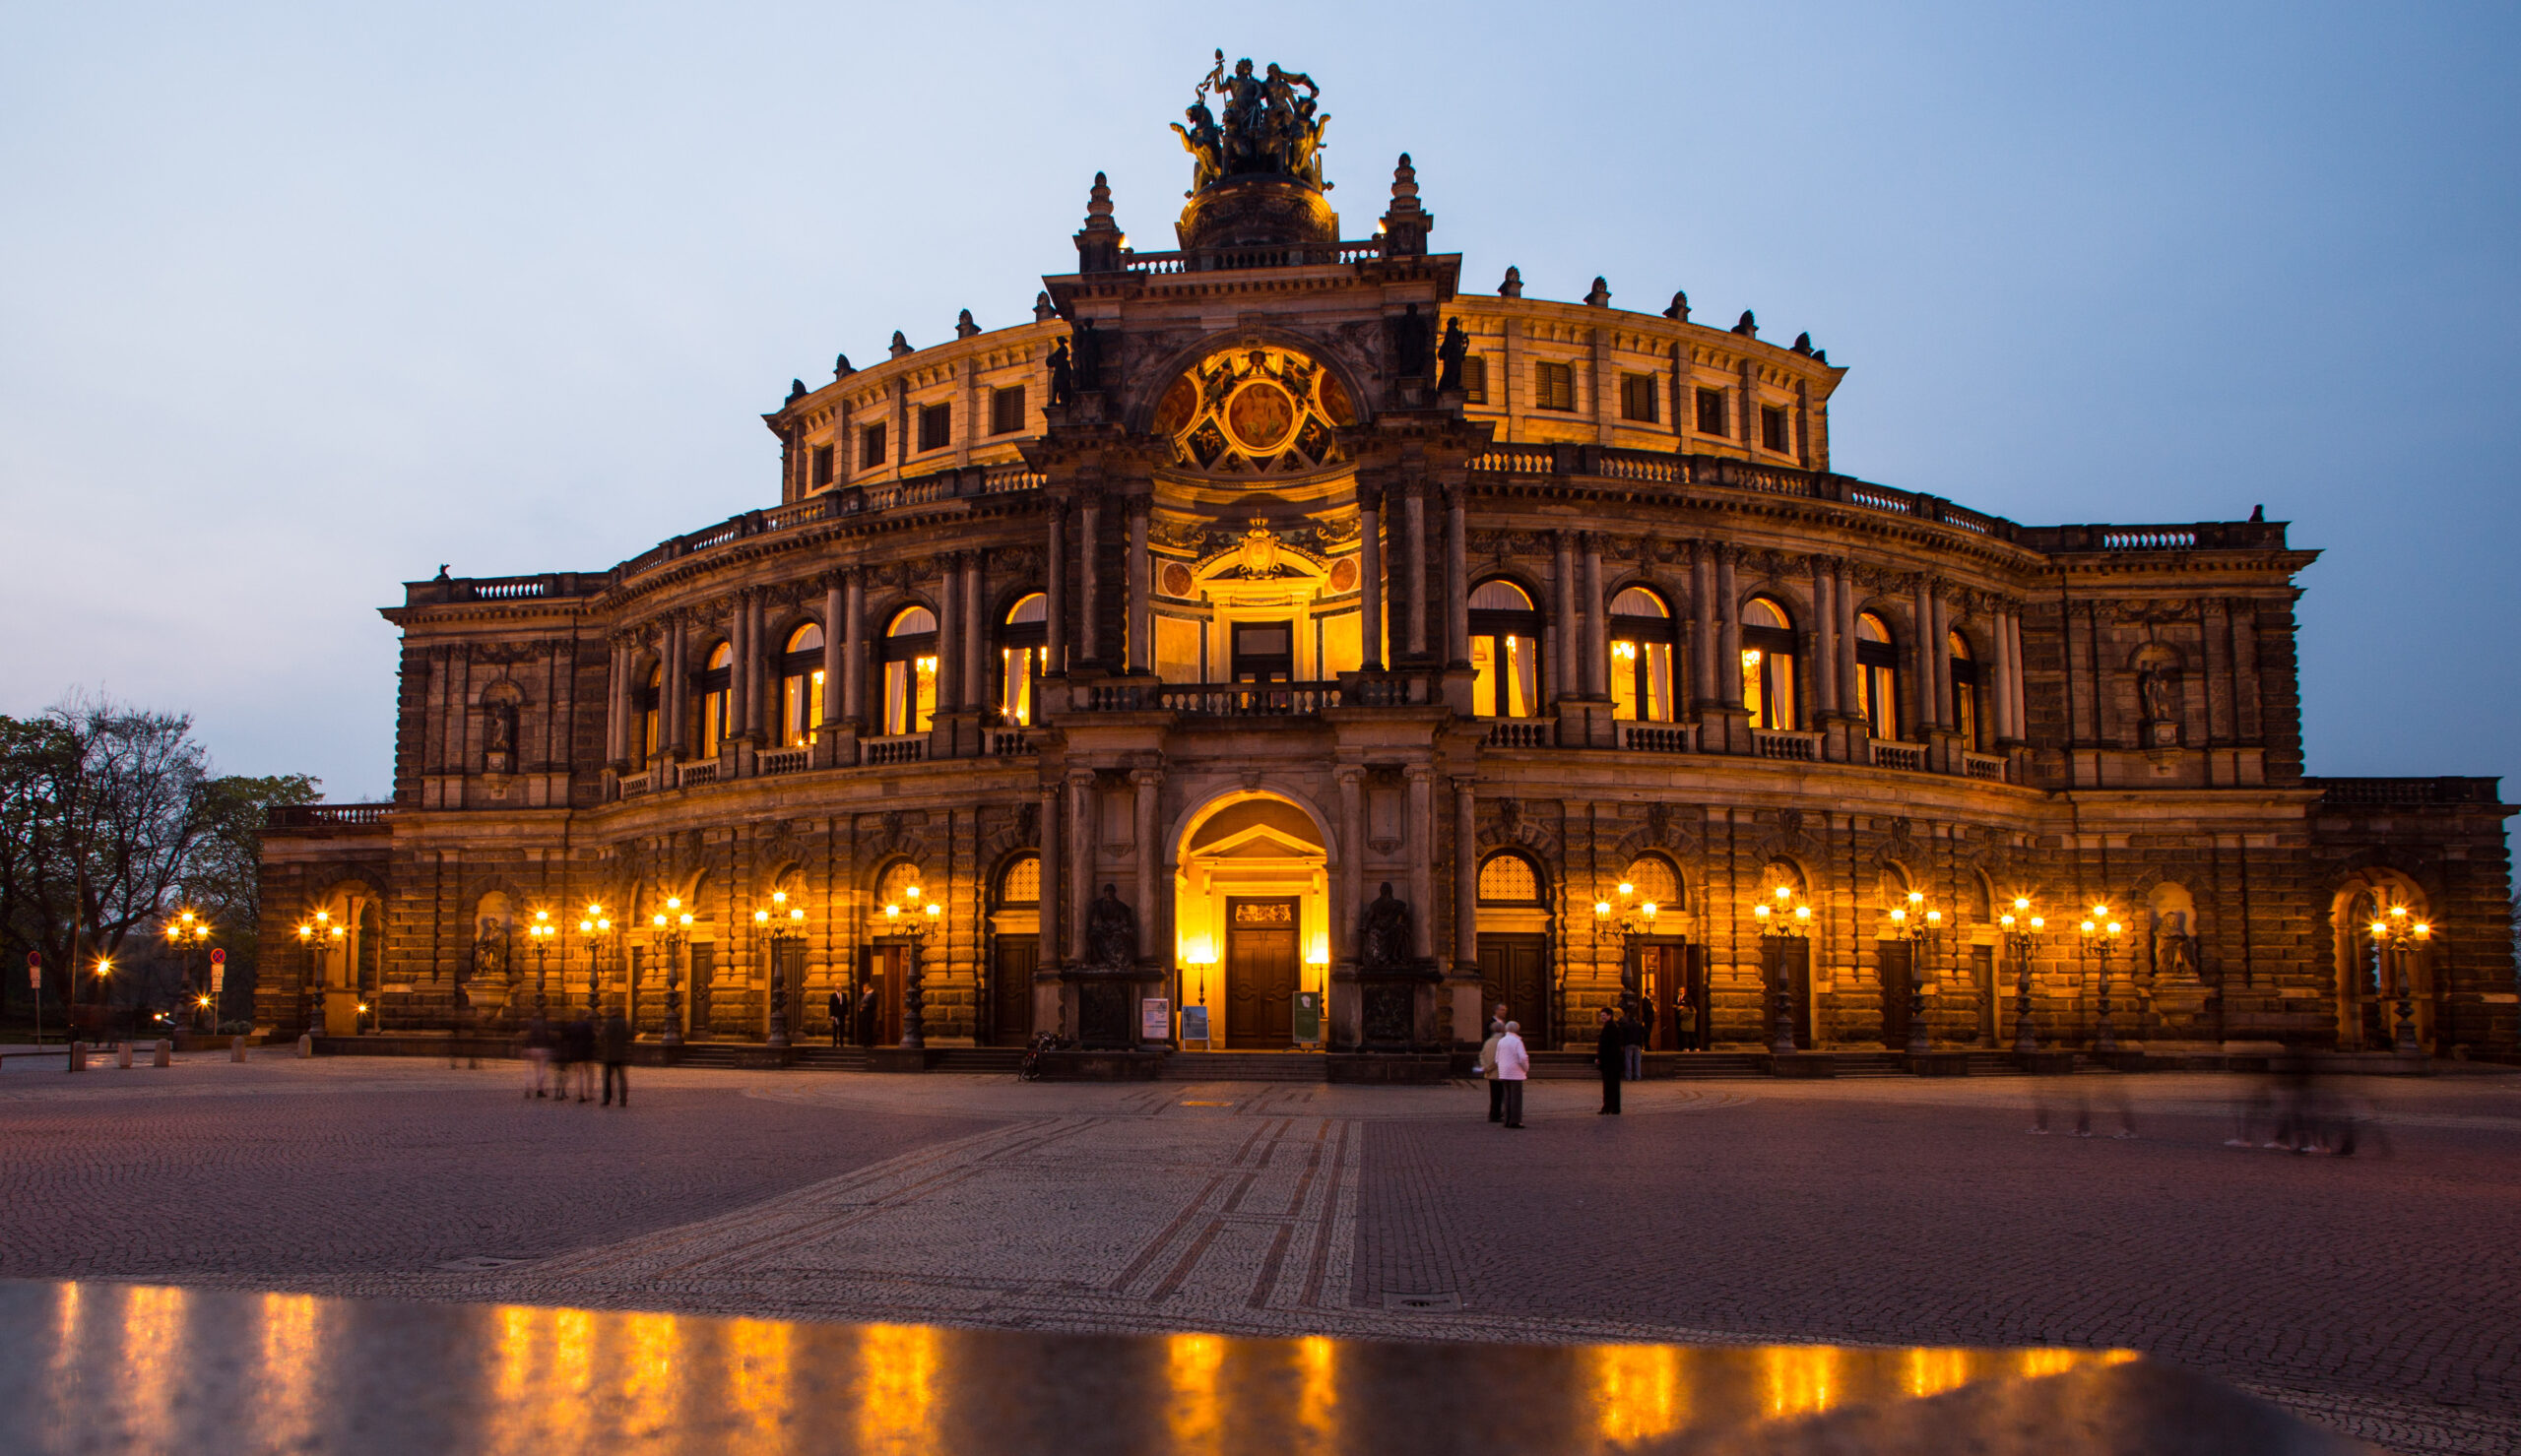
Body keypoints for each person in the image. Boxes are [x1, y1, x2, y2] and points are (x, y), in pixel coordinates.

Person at [1495, 1021, 1529, 1128]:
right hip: (1515, 1072)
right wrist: (1526, 1068)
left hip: (1504, 1071)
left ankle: (1507, 1119)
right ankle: (1515, 1121)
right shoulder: (1517, 1041)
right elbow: (1522, 1057)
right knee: (1516, 1097)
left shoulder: (1501, 1041)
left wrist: (1501, 1067)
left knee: (1507, 1096)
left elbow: (1497, 1058)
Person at [1595, 1007, 1626, 1115]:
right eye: (1601, 1016)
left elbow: (1605, 1046)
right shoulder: (1612, 1027)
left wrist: (1600, 1057)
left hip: (1610, 1063)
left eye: (1604, 1016)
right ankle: (1614, 1107)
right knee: (1613, 1086)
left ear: (1609, 1016)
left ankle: (1608, 1107)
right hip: (1613, 1062)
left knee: (1609, 1086)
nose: (1602, 1018)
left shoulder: (1610, 1028)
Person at [600, 1007, 630, 1108]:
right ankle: (623, 1100)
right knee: (622, 1078)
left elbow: (603, 1036)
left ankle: (607, 1099)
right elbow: (629, 1036)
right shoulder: (624, 1022)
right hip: (621, 1054)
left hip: (610, 1055)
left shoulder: (608, 1023)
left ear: (611, 1013)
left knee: (608, 1078)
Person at [1478, 1015, 1507, 1123]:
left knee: (1494, 1095)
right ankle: (1497, 1114)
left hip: (1490, 1073)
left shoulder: (1488, 1042)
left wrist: (1485, 1067)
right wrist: (1489, 1067)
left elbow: (1481, 1055)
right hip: (1499, 1072)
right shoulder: (1502, 1042)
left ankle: (1493, 1114)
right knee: (1501, 1095)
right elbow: (1498, 1059)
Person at [565, 1012, 598, 1102]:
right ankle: (589, 1093)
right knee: (590, 1073)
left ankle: (580, 1094)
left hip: (576, 1052)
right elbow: (593, 1036)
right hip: (587, 1052)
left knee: (579, 1074)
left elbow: (567, 1037)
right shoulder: (588, 1025)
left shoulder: (572, 1025)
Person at [523, 1012, 552, 1098]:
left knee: (536, 1070)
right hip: (542, 1049)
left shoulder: (530, 1024)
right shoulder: (545, 1024)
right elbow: (547, 1036)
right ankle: (540, 1089)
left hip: (532, 1049)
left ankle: (527, 1088)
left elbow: (527, 1036)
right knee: (542, 1070)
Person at [1621, 1001, 1647, 1082]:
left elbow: (1623, 1035)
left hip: (1629, 1044)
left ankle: (1629, 1076)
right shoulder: (1639, 1025)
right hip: (1637, 1044)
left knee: (1628, 1060)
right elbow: (1646, 1032)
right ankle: (1637, 1076)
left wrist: (1623, 1044)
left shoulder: (1626, 1026)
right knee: (1637, 1061)